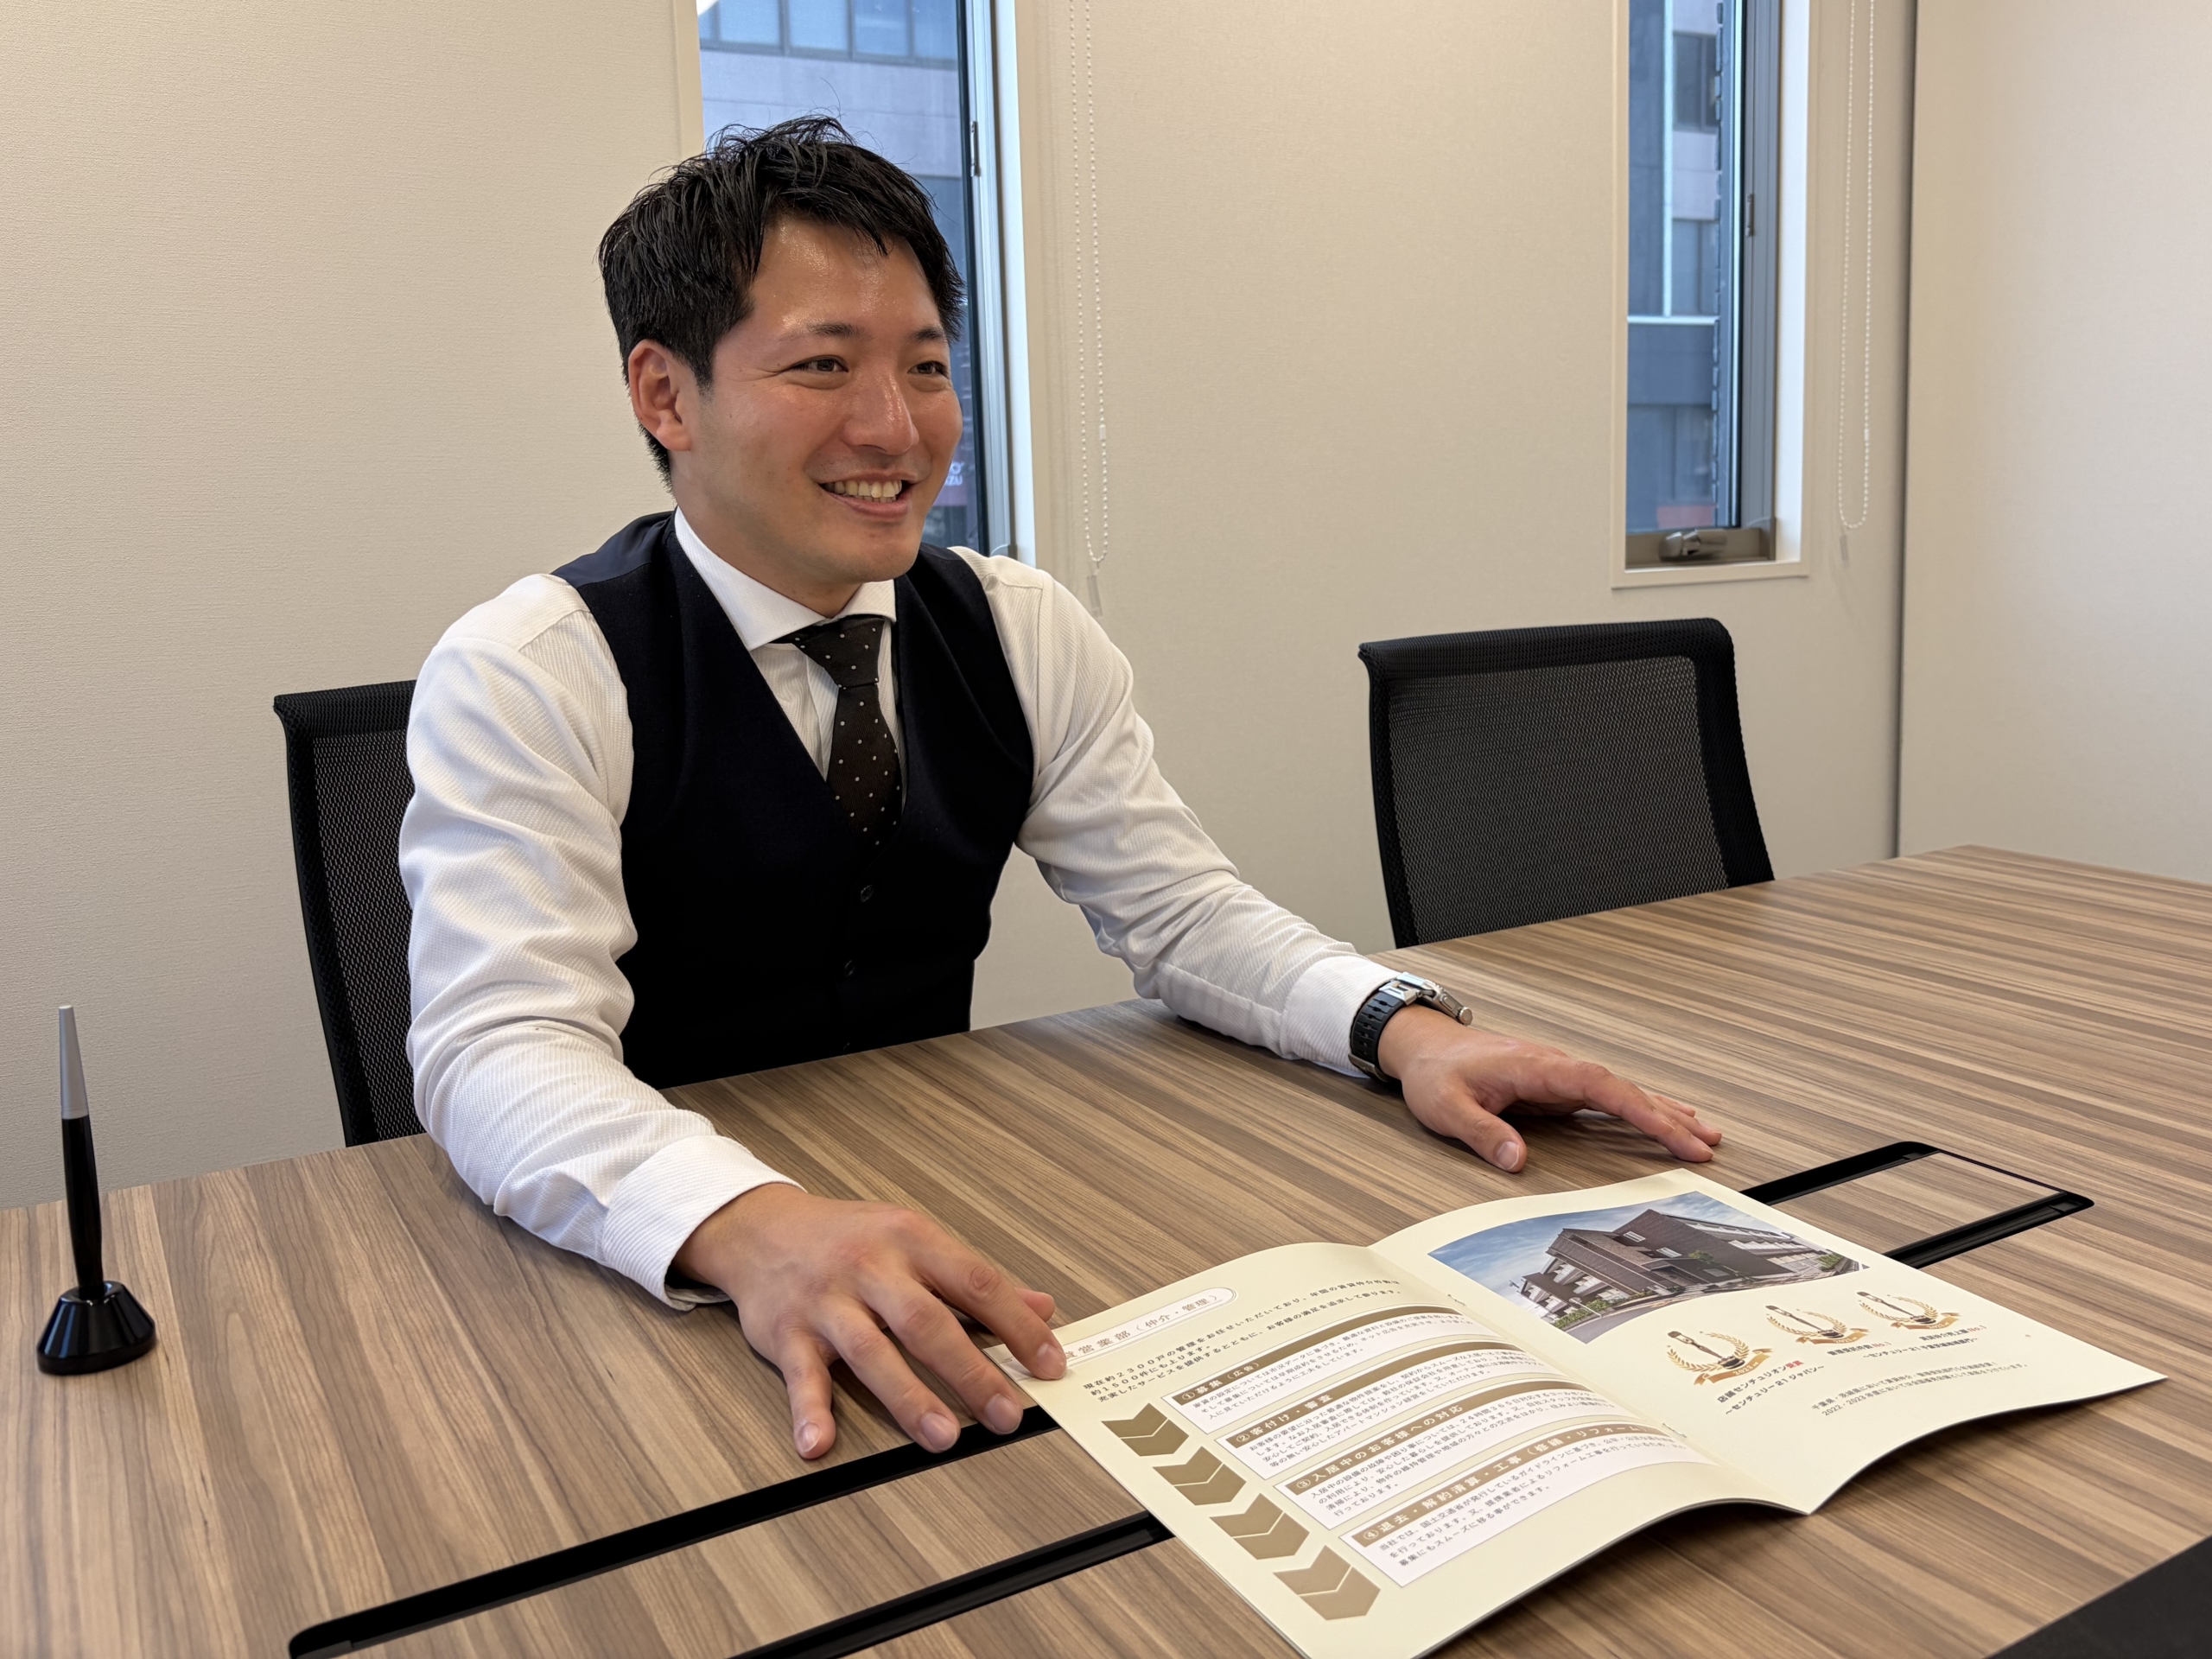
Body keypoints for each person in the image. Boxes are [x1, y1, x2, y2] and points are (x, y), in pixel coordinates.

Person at [399, 118, 1720, 1465]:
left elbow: (1182, 914)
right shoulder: (533, 672)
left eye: (927, 366)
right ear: (665, 396)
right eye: (822, 366)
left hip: (947, 1207)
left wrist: (1403, 1028)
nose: (896, 427)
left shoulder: (1015, 628)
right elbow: (496, 1049)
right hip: (652, 1279)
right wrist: (743, 1222)